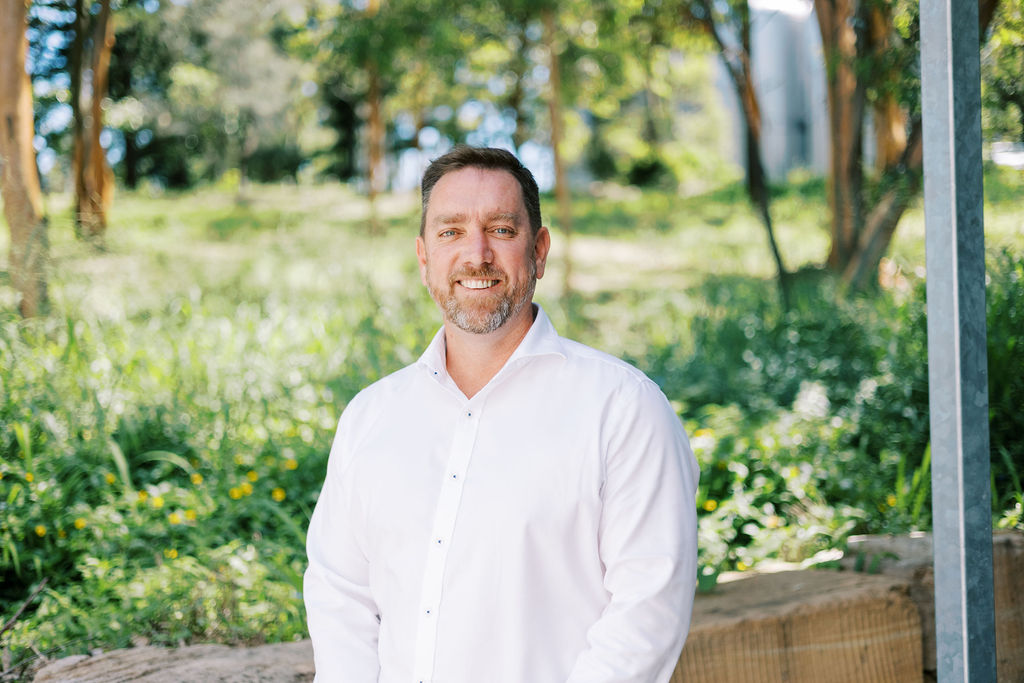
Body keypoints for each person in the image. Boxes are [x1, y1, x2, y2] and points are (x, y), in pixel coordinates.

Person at [304, 145, 699, 683]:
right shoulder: (371, 417)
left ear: (539, 251)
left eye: (501, 230)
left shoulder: (623, 408)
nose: (477, 254)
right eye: (451, 232)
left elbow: (647, 607)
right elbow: (340, 593)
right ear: (424, 258)